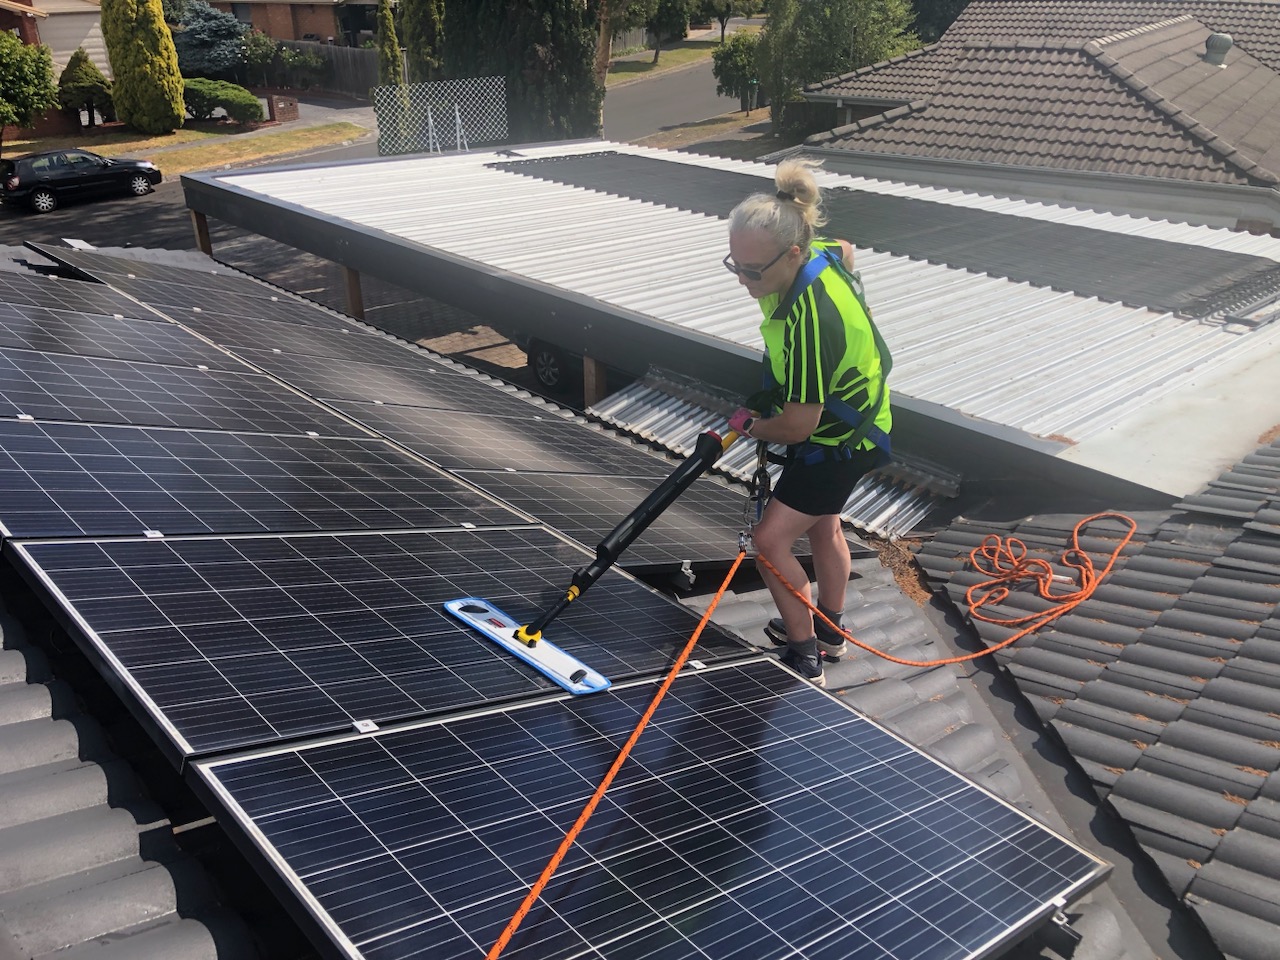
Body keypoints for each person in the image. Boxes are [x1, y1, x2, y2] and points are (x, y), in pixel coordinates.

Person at [725, 158, 892, 687]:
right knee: (824, 522)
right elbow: (843, 247)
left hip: (837, 441)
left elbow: (797, 426)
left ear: (791, 254)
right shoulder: (818, 254)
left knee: (771, 542)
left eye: (755, 271)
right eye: (736, 266)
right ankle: (830, 632)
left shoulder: (810, 323)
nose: (746, 280)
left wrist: (751, 426)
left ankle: (805, 655)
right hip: (866, 424)